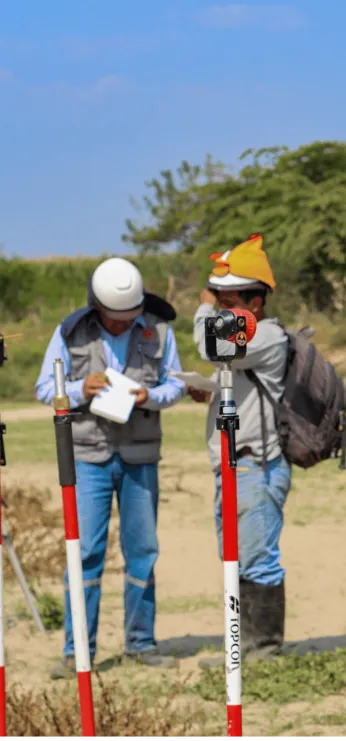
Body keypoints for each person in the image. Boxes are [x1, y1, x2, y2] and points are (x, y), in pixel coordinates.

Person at [34, 257, 186, 679]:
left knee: (142, 551)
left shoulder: (160, 333)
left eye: (129, 318)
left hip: (140, 457)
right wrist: (80, 388)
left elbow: (177, 386)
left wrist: (149, 397)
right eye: (113, 320)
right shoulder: (68, 334)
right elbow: (46, 388)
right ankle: (77, 650)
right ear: (95, 308)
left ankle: (141, 643)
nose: (121, 326)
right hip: (88, 459)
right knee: (84, 554)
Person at [186, 234, 290, 667]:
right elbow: (223, 361)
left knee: (257, 559)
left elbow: (211, 343)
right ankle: (243, 648)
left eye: (229, 299)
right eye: (219, 297)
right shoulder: (250, 336)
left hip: (254, 466)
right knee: (236, 556)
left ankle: (263, 650)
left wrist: (204, 303)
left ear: (255, 303)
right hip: (234, 465)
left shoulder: (265, 335)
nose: (220, 305)